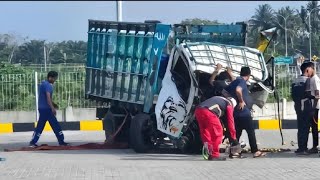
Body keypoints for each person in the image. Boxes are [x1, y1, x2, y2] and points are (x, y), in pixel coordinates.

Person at [223, 66, 266, 158]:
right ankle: (255, 151)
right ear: (249, 75)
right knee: (251, 132)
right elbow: (238, 90)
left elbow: (224, 92)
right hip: (244, 113)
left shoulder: (234, 81)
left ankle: (234, 152)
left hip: (235, 113)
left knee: (237, 133)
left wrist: (231, 100)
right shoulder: (242, 81)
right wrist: (241, 101)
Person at [29, 71, 70, 147]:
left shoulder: (43, 84)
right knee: (55, 125)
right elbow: (48, 98)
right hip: (47, 109)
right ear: (50, 77)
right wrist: (52, 108)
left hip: (42, 108)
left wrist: (54, 104)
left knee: (40, 126)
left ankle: (33, 142)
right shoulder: (48, 86)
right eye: (54, 78)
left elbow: (46, 98)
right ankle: (61, 141)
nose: (55, 80)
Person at [195, 96, 241, 161]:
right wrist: (234, 138)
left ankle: (208, 152)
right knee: (218, 132)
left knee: (206, 132)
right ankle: (214, 155)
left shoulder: (219, 99)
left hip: (198, 110)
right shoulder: (229, 105)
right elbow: (230, 122)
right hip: (209, 112)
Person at [291, 62, 314, 155]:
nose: (313, 71)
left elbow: (293, 95)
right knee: (305, 127)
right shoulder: (308, 80)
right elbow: (310, 94)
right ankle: (303, 149)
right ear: (307, 70)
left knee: (300, 127)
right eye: (312, 69)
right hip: (305, 106)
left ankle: (301, 147)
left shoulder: (295, 80)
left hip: (297, 106)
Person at [305, 62, 320, 154]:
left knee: (314, 127)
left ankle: (315, 146)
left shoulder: (315, 79)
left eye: (307, 70)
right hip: (313, 106)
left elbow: (317, 94)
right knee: (313, 127)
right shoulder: (311, 79)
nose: (307, 72)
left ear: (312, 68)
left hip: (315, 107)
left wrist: (313, 108)